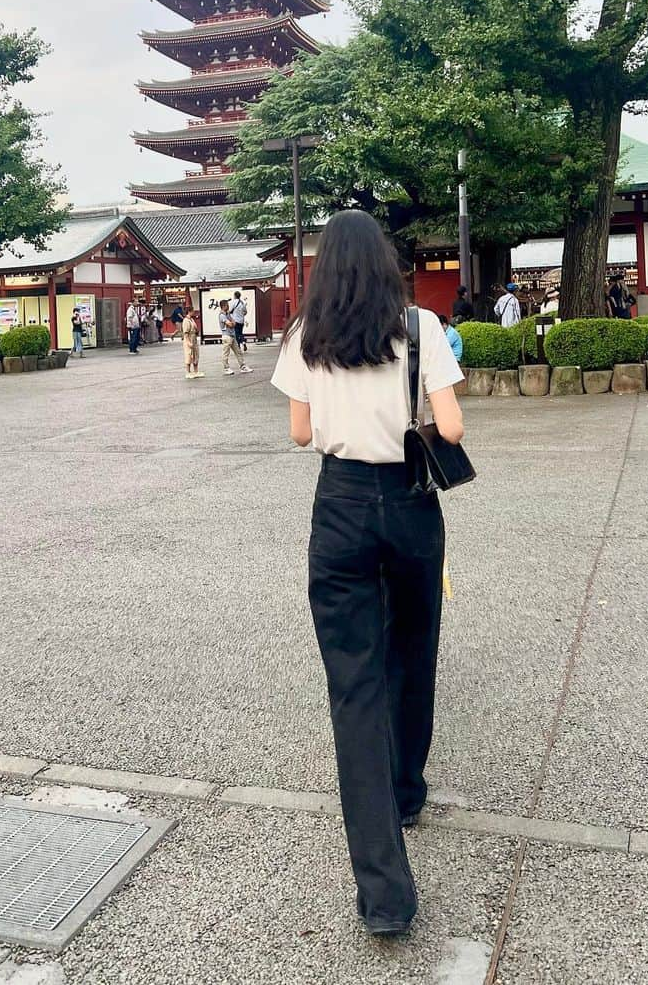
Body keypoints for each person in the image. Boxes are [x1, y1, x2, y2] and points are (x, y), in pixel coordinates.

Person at [271, 209, 465, 936]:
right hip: (410, 504)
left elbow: (298, 433)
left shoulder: (305, 334)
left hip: (340, 507)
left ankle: (384, 895)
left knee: (354, 684)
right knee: (414, 653)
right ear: (385, 262)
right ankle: (408, 789)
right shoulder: (417, 325)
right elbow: (451, 429)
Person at [218, 299, 251, 375]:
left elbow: (234, 322)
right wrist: (231, 323)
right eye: (227, 305)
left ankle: (243, 366)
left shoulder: (227, 314)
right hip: (226, 336)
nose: (228, 306)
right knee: (226, 353)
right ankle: (226, 368)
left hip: (232, 335)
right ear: (223, 306)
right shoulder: (222, 315)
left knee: (238, 351)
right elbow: (230, 324)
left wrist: (232, 323)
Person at [182, 306, 204, 379]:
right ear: (189, 311)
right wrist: (188, 342)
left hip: (194, 337)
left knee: (195, 354)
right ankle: (188, 372)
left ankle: (196, 371)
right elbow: (185, 333)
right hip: (189, 338)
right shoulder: (186, 320)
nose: (193, 312)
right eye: (192, 311)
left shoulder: (191, 319)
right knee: (189, 354)